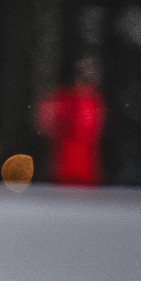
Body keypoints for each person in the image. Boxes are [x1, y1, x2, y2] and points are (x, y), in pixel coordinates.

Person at [36, 56, 104, 187]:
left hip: (84, 171)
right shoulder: (65, 99)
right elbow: (45, 122)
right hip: (65, 169)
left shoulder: (93, 102)